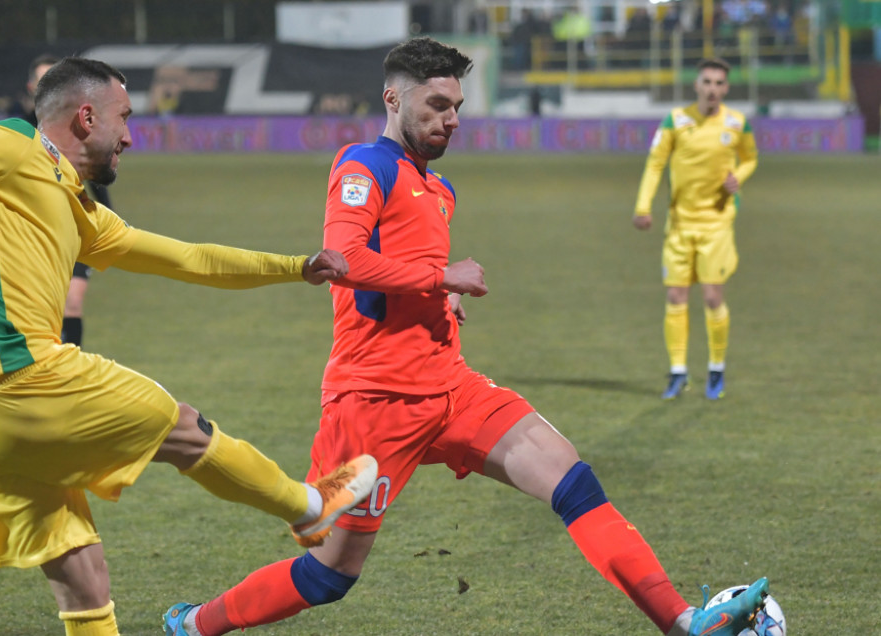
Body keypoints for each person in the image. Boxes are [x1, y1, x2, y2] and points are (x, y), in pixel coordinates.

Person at [164, 38, 767, 636]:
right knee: (329, 577)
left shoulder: (441, 189)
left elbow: (400, 270)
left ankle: (683, 621)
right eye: (435, 104)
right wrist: (439, 275)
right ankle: (196, 625)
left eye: (456, 105)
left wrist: (441, 297)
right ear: (393, 98)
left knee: (571, 479)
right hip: (373, 404)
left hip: (451, 387)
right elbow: (340, 259)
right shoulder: (362, 165)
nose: (450, 119)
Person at [0, 56, 379, 636]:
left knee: (82, 580)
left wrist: (297, 267)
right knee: (183, 426)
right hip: (21, 378)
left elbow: (190, 259)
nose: (131, 138)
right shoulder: (15, 144)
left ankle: (307, 512)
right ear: (86, 118)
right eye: (125, 118)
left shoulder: (79, 210)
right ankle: (312, 512)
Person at [633, 57, 758, 400]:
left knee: (713, 295)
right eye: (707, 82)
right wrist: (643, 206)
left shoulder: (737, 123)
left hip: (717, 223)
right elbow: (655, 163)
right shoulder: (676, 120)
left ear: (726, 88)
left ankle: (716, 368)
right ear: (697, 85)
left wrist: (739, 178)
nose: (713, 89)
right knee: (675, 296)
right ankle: (678, 373)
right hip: (680, 225)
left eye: (719, 83)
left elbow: (750, 158)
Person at [24, 53, 98, 346]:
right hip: (35, 230)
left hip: (76, 227)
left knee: (73, 303)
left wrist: (109, 217)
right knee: (43, 309)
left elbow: (95, 177)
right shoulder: (18, 128)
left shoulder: (79, 128)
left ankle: (73, 374)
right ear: (31, 86)